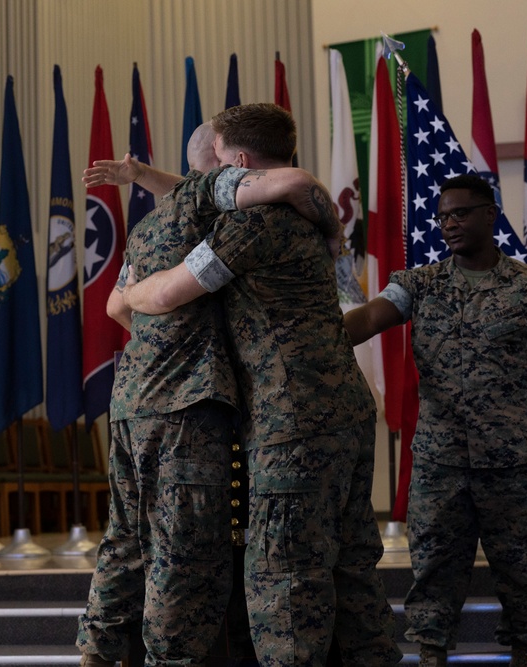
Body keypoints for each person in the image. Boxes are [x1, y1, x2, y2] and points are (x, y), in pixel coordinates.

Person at [122, 103, 400, 666]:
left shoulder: (253, 226)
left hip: (290, 421)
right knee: (352, 569)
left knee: (285, 581)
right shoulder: (311, 217)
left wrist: (127, 292)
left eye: (222, 162)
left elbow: (168, 292)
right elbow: (204, 192)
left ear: (241, 164)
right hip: (344, 408)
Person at [77, 123, 337, 667]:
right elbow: (293, 183)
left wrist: (140, 175)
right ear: (229, 168)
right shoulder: (218, 211)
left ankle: (96, 653)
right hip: (186, 410)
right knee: (184, 555)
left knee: (125, 538)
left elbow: (116, 306)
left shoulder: (148, 227)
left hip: (131, 403)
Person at [341, 174, 527, 667]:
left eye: (461, 213)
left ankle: (525, 652)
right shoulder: (419, 284)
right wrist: (310, 333)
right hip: (440, 462)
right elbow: (368, 319)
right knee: (433, 568)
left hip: (513, 461)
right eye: (443, 217)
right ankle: (432, 655)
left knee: (523, 568)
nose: (450, 223)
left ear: (489, 215)